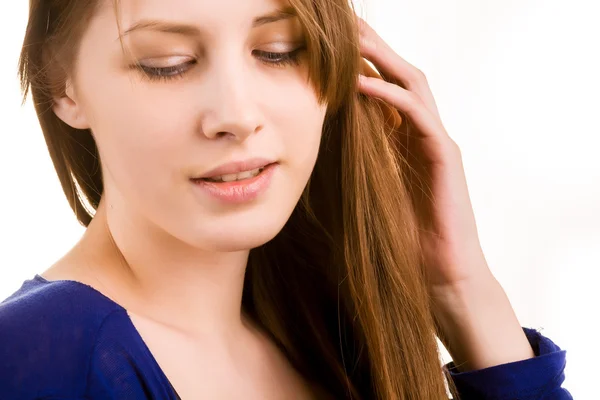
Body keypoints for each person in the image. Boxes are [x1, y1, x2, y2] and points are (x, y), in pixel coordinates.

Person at [0, 0, 572, 398]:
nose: (237, 116)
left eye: (280, 50)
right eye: (166, 63)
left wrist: (462, 289)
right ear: (61, 83)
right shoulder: (40, 360)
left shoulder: (320, 335)